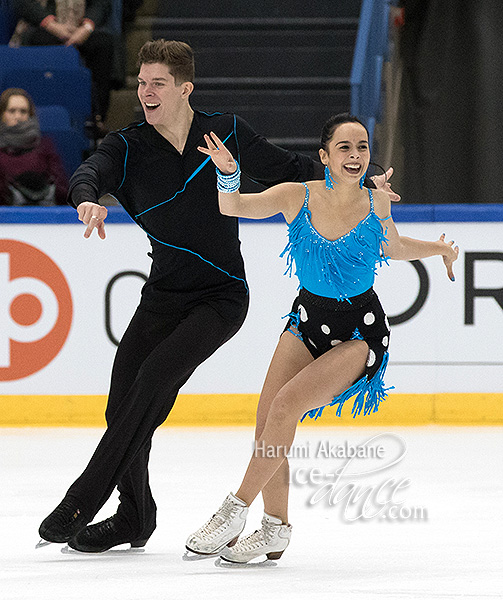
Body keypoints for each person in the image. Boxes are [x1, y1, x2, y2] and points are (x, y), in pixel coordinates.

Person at [36, 40, 399, 554]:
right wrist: (86, 199)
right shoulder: (128, 146)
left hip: (222, 297)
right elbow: (88, 171)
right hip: (164, 293)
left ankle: (82, 499)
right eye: (141, 83)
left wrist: (354, 180)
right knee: (122, 403)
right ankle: (135, 516)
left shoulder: (223, 131)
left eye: (157, 83)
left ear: (184, 89)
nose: (145, 92)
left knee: (156, 378)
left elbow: (287, 166)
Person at [185, 114, 459, 564]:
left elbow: (391, 247)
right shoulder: (297, 196)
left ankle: (235, 510)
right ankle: (275, 529)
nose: (355, 156)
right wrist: (228, 170)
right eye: (345, 148)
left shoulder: (377, 203)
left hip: (359, 333)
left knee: (287, 404)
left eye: (363, 147)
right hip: (307, 321)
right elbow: (232, 207)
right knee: (267, 419)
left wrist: (440, 248)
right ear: (324, 156)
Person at [11, 0, 114, 132]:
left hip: (81, 30)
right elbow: (24, 4)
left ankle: (96, 118)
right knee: (39, 40)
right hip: (44, 28)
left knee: (103, 44)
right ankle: (39, 115)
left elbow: (102, 4)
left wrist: (86, 28)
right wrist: (52, 26)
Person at [0, 87, 68, 205]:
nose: (18, 116)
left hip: (44, 214)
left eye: (23, 111)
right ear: (2, 114)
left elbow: (62, 189)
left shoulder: (45, 146)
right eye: (12, 111)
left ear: (30, 114)